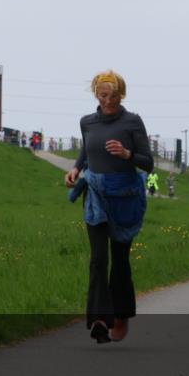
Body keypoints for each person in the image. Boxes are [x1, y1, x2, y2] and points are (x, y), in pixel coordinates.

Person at [65, 70, 153, 344]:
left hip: (125, 196)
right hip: (95, 196)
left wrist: (127, 154)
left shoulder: (132, 122)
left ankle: (122, 316)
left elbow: (148, 163)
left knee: (120, 260)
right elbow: (86, 151)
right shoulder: (87, 122)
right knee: (98, 259)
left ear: (121, 94)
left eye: (113, 95)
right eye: (103, 95)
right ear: (96, 94)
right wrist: (76, 168)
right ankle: (100, 320)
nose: (108, 100)